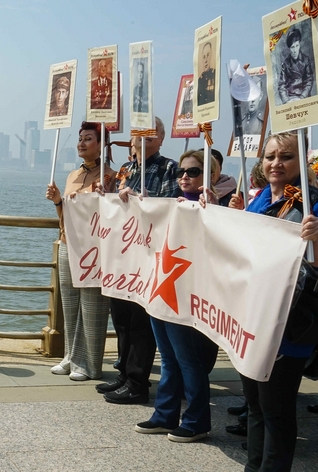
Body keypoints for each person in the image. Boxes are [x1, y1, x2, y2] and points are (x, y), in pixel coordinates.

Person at [229, 131, 318, 471]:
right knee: (255, 407)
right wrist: (229, 215)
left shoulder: (315, 203)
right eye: (271, 156)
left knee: (276, 410)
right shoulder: (261, 196)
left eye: (286, 156)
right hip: (251, 317)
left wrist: (314, 239)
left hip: (287, 324)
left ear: (301, 161)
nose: (277, 163)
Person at [134, 150, 219, 443]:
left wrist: (213, 209)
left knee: (188, 360)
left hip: (186, 292)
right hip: (162, 288)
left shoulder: (213, 210)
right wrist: (135, 204)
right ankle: (165, 414)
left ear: (210, 176)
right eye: (182, 171)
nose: (184, 176)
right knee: (169, 357)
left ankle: (196, 420)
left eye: (193, 172)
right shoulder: (173, 205)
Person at [96, 117, 178, 405]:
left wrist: (143, 198)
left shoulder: (169, 167)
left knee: (142, 322)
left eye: (151, 133)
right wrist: (106, 198)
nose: (143, 138)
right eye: (138, 133)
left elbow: (171, 206)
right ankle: (123, 372)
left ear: (162, 138)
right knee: (121, 318)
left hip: (148, 258)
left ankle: (138, 381)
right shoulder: (127, 168)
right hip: (124, 258)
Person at [46, 121, 118, 381]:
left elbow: (113, 213)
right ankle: (70, 356)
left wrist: (105, 195)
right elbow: (65, 215)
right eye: (80, 138)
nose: (81, 143)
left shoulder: (110, 176)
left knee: (93, 306)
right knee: (70, 303)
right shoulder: (71, 176)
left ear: (100, 145)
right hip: (68, 243)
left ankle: (89, 364)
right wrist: (57, 201)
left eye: (88, 138)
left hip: (94, 249)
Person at [277, 27, 314, 104]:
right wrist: (286, 100)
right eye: (292, 47)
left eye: (297, 46)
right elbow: (281, 85)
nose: (295, 50)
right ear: (289, 48)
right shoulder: (286, 64)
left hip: (304, 97)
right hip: (290, 98)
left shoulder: (306, 60)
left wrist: (302, 97)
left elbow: (309, 80)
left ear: (299, 45)